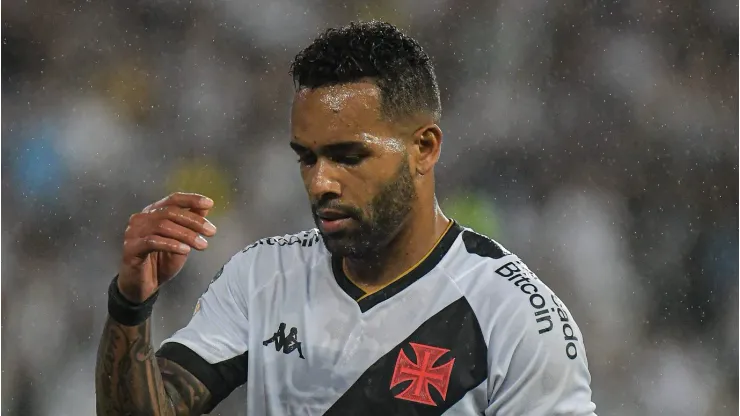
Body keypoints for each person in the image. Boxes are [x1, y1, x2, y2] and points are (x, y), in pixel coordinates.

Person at [95, 20, 597, 415]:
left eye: (348, 156)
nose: (320, 183)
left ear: (423, 148)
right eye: (307, 158)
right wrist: (131, 304)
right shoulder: (262, 278)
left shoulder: (515, 319)